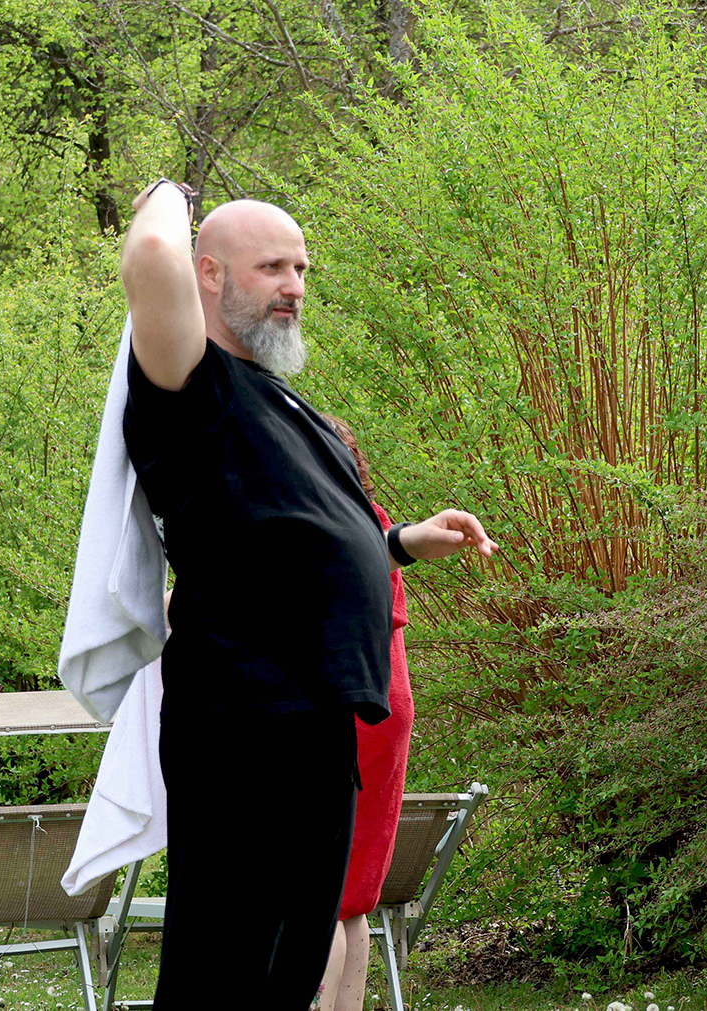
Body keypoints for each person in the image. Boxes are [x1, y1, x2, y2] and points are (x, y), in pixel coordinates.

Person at [118, 182, 496, 1008]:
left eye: (301, 267)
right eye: (272, 267)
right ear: (208, 275)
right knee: (226, 973)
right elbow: (150, 256)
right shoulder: (192, 385)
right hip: (244, 726)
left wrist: (398, 543)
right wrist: (165, 194)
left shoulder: (283, 399)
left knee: (289, 972)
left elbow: (285, 542)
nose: (294, 284)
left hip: (317, 722)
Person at [314, 414, 481, 1011]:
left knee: (318, 899)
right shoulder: (373, 520)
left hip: (348, 714)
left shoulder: (334, 526)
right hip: (383, 710)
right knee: (353, 900)